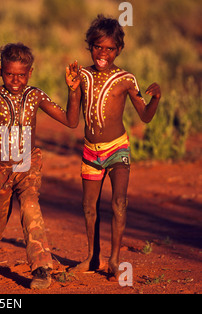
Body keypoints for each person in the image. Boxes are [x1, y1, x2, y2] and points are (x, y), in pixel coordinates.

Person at [0, 43, 81, 289]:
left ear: (30, 72)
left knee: (31, 207)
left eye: (21, 75)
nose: (16, 80)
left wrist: (73, 91)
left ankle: (42, 268)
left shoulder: (36, 96)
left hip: (28, 163)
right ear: (1, 70)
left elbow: (71, 121)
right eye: (10, 74)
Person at [68, 15, 161, 280]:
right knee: (89, 206)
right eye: (98, 47)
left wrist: (156, 99)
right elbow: (73, 120)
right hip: (90, 151)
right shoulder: (82, 76)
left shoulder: (127, 79)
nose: (103, 53)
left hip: (117, 149)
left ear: (118, 50)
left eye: (109, 49)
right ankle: (91, 257)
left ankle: (115, 259)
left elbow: (145, 116)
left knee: (119, 202)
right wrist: (72, 90)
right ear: (89, 46)